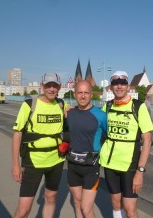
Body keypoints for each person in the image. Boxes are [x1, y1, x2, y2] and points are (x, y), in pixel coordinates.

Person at [12, 73, 69, 218]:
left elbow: (80, 112)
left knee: (50, 198)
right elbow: (17, 134)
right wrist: (16, 165)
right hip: (33, 161)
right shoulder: (30, 104)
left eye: (55, 86)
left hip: (56, 161)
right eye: (48, 85)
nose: (51, 89)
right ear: (41, 86)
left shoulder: (62, 104)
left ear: (59, 87)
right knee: (24, 209)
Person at [99, 71, 153, 218]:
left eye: (122, 83)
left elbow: (147, 140)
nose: (119, 86)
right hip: (110, 163)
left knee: (130, 210)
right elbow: (95, 124)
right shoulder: (108, 106)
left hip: (130, 165)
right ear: (110, 88)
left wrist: (140, 172)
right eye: (115, 83)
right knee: (116, 203)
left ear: (128, 86)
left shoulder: (138, 106)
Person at [66, 80, 107, 218]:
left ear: (91, 95)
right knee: (77, 203)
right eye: (80, 92)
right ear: (75, 94)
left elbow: (108, 137)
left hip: (91, 168)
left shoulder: (100, 115)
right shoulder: (69, 113)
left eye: (86, 93)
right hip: (72, 166)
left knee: (86, 208)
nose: (83, 96)